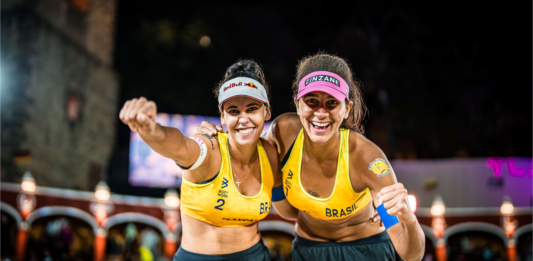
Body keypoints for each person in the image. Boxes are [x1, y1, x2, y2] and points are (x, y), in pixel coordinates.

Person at [197, 53, 425, 261]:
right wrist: (213, 140)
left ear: (346, 108)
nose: (321, 112)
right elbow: (247, 158)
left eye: (332, 103)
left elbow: (410, 254)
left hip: (364, 250)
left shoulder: (366, 159)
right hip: (307, 250)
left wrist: (407, 219)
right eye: (311, 101)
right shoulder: (283, 133)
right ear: (297, 104)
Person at [119, 60, 296, 261]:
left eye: (252, 108)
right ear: (222, 117)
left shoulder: (270, 154)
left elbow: (290, 212)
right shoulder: (211, 148)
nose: (243, 118)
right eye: (233, 111)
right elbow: (179, 146)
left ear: (267, 112)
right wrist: (151, 131)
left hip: (256, 255)